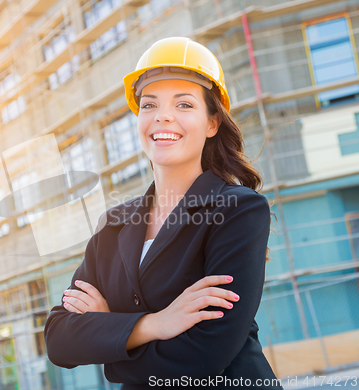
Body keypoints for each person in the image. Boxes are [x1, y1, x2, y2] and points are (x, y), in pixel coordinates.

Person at [44, 37, 283, 390]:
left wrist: (112, 336)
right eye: (149, 104)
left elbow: (205, 357)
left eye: (184, 104)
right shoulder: (114, 225)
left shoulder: (238, 209)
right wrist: (154, 324)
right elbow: (59, 339)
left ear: (212, 123)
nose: (163, 116)